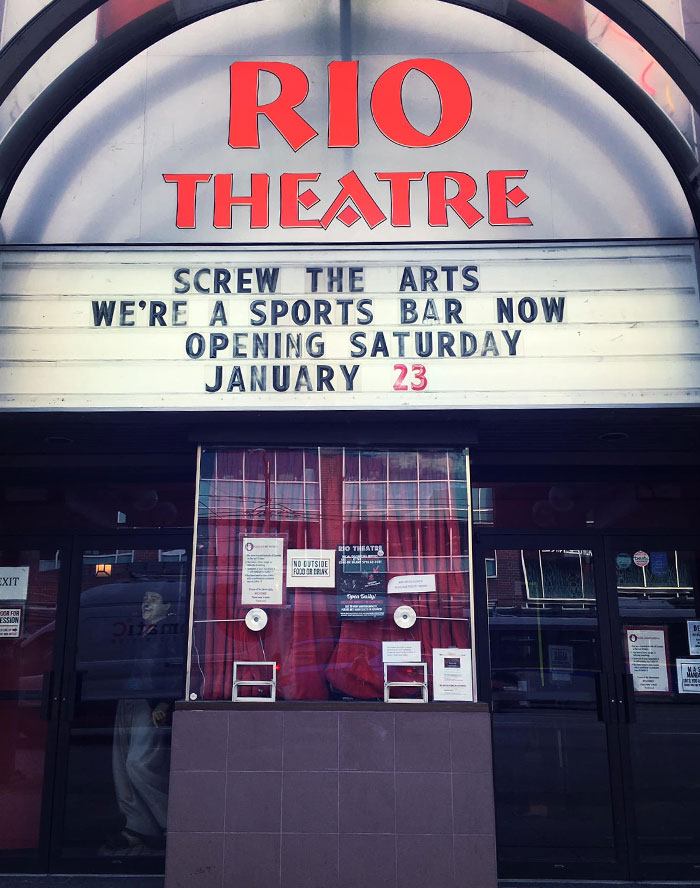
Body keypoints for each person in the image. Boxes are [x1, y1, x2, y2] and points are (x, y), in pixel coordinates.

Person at [100, 587, 183, 856]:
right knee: (121, 766)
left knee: (140, 764)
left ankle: (170, 823)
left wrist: (164, 702)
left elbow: (174, 668)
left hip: (150, 704)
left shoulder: (170, 632)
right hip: (128, 699)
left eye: (154, 599)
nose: (147, 602)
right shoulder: (138, 631)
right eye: (145, 598)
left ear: (166, 606)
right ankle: (136, 826)